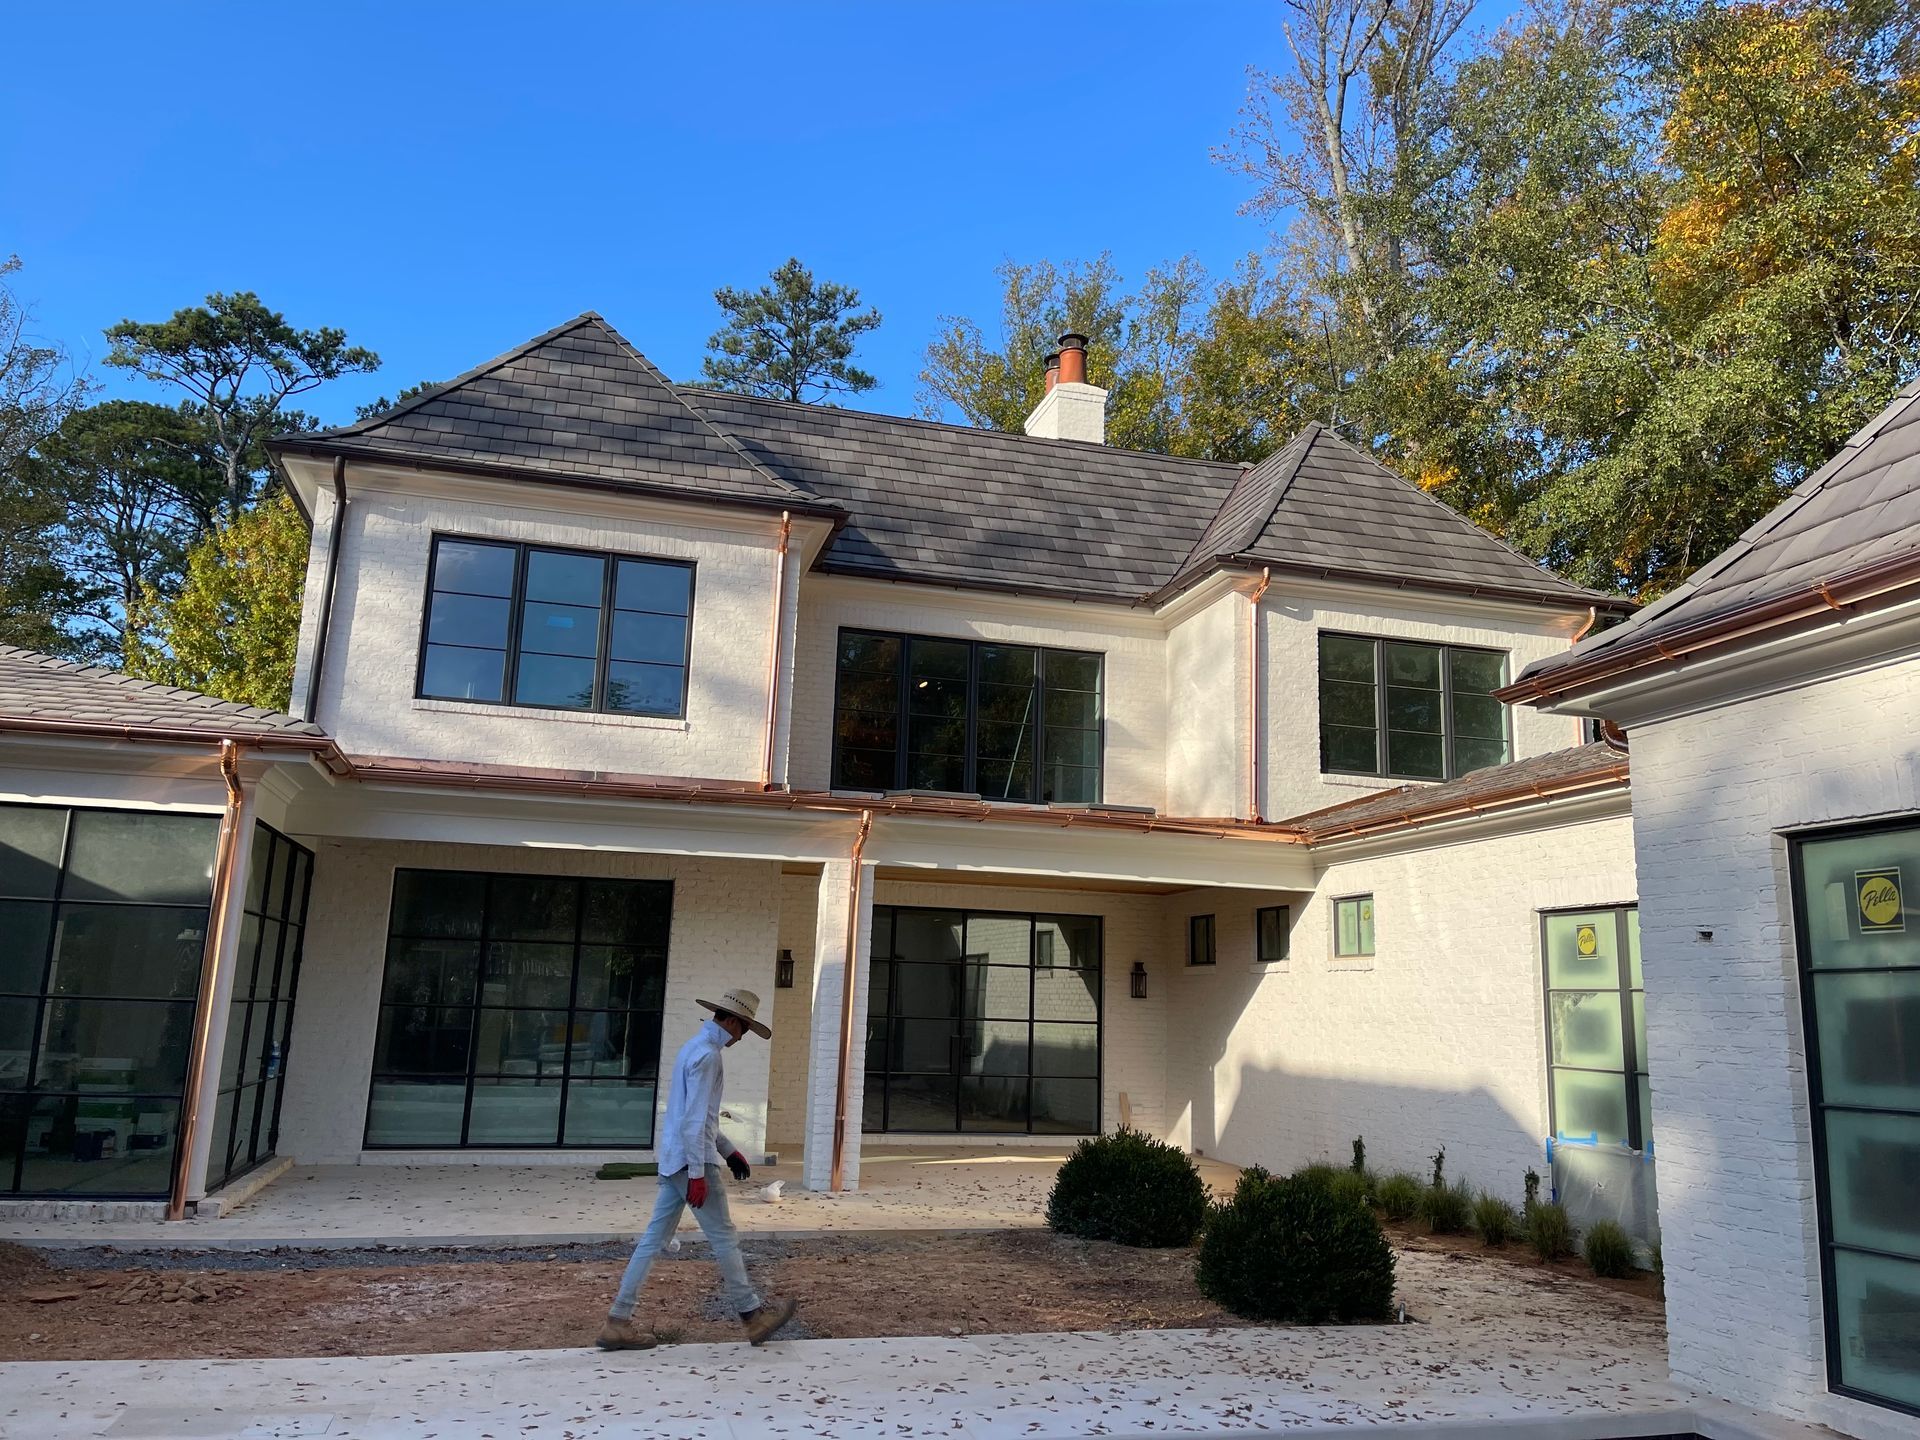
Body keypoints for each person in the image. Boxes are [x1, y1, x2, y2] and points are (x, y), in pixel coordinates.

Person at [597, 987, 797, 1350]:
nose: (743, 1037)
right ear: (733, 1021)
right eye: (745, 1029)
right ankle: (752, 1318)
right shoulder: (709, 1057)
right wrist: (697, 1173)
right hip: (692, 1160)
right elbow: (694, 1123)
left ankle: (618, 1321)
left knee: (653, 1240)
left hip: (676, 1157)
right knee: (724, 1237)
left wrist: (729, 1150)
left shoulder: (693, 1048)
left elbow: (696, 1118)